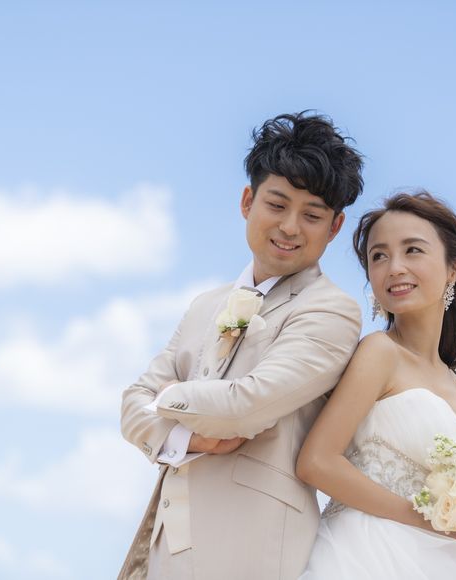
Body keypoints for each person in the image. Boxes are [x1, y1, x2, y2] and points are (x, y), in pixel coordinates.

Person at [118, 111, 364, 580]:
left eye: (312, 215)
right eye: (277, 204)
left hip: (252, 554)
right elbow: (131, 403)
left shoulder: (331, 311)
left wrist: (165, 398)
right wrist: (185, 436)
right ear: (248, 201)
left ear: (334, 228)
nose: (290, 226)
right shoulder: (204, 306)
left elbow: (244, 408)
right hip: (163, 554)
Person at [296, 191, 456, 579]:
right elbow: (316, 462)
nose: (394, 268)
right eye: (379, 256)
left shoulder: (453, 384)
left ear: (452, 268)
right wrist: (426, 520)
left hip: (439, 560)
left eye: (412, 250)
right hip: (367, 552)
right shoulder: (380, 351)